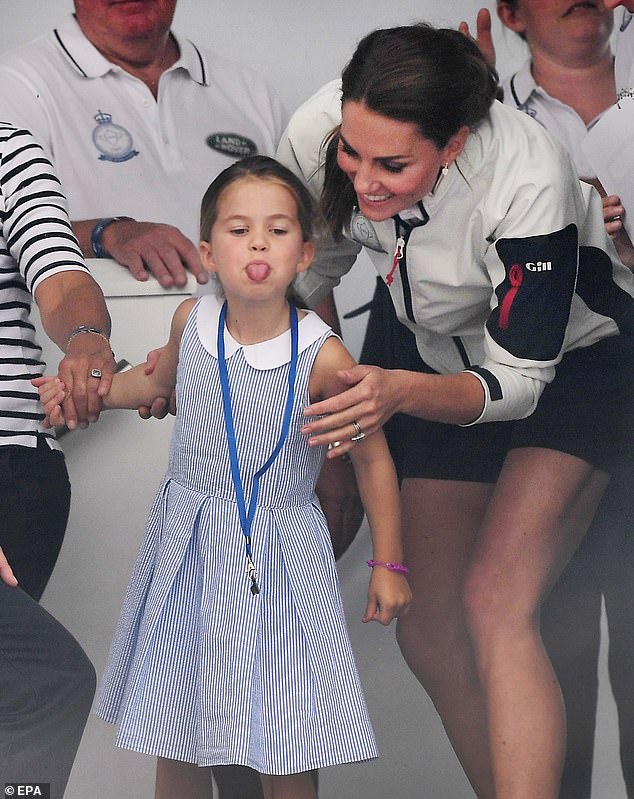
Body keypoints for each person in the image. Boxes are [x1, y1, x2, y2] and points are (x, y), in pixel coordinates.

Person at [276, 23, 634, 799]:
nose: (365, 181)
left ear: (457, 142)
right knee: (431, 629)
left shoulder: (529, 171)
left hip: (571, 367)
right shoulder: (314, 130)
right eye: (352, 152)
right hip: (440, 360)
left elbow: (521, 381)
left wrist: (395, 392)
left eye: (393, 165)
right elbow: (307, 275)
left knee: (496, 602)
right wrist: (332, 415)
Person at [37, 155, 411, 799]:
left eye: (277, 230)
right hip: (188, 544)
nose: (258, 243)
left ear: (304, 255)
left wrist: (390, 563)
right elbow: (155, 383)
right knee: (176, 716)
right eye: (238, 231)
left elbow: (372, 457)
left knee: (286, 720)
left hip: (280, 556)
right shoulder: (193, 320)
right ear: (209, 253)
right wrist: (88, 389)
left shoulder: (324, 354)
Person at [462, 5, 634, 797]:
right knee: (541, 634)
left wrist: (620, 252)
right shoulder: (479, 114)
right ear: (508, 12)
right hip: (543, 407)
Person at [0, 0, 286, 289]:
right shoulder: (15, 85)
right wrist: (105, 234)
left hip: (250, 333)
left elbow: (311, 250)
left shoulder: (251, 92)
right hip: (96, 334)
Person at [0, 121, 116, 797]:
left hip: (19, 478)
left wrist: (86, 338)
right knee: (45, 682)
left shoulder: (8, 148)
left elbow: (59, 273)